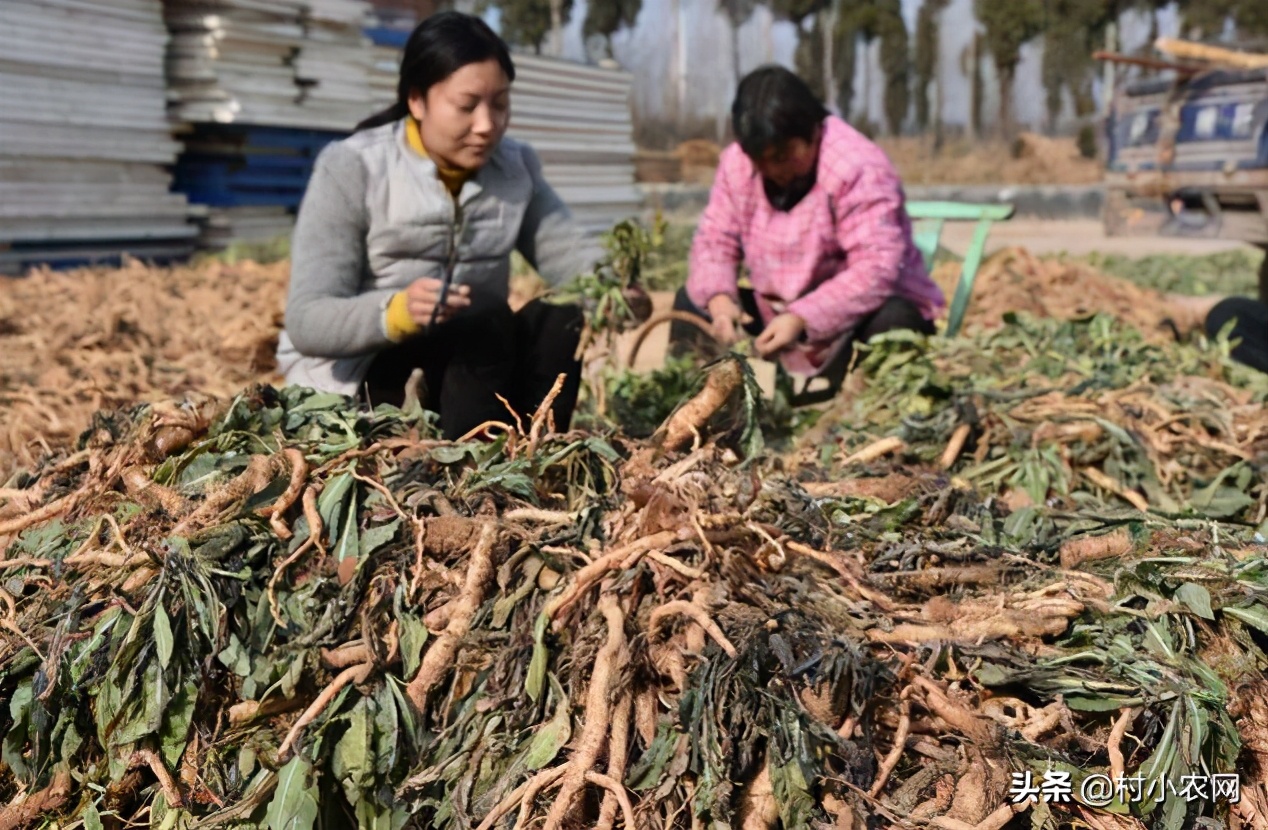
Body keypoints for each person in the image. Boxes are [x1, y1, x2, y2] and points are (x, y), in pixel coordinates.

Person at [276, 12, 602, 439]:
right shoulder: (352, 167)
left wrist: (613, 288)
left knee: (562, 315)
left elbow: (569, 255)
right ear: (417, 101)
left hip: (479, 363)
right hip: (371, 374)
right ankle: (471, 461)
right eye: (467, 106)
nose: (487, 125)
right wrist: (395, 312)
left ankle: (531, 447)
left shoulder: (514, 167)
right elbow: (307, 319)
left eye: (500, 103)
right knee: (481, 319)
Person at [672, 66, 945, 399]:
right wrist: (720, 300)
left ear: (813, 132)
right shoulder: (738, 164)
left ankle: (862, 423)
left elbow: (876, 269)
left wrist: (802, 317)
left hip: (855, 317)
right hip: (778, 317)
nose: (773, 171)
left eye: (782, 157)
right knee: (691, 302)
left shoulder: (858, 167)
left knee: (895, 324)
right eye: (761, 161)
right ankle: (685, 414)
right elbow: (715, 239)